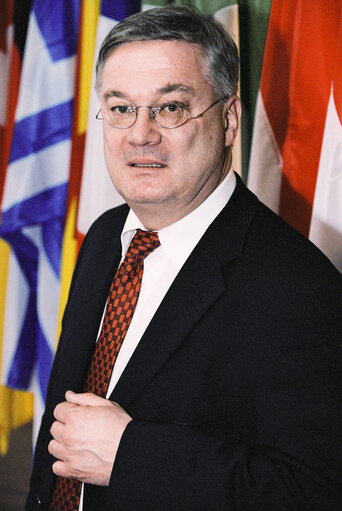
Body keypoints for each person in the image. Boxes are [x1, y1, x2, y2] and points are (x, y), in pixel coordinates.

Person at [26, 6, 342, 510]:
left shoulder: (299, 288)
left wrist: (131, 455)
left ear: (229, 120)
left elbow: (312, 491)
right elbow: (63, 435)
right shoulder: (107, 236)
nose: (140, 133)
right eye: (121, 107)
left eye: (170, 107)